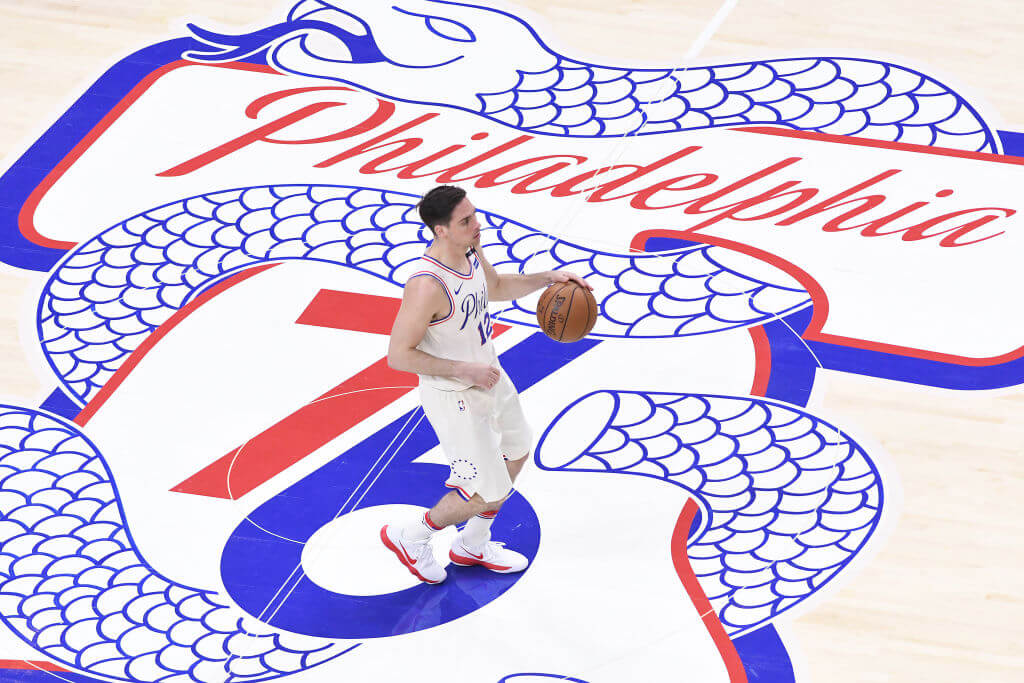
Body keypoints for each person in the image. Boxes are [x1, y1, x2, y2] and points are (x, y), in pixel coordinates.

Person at [381, 185, 592, 584]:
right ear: (440, 230)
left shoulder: (470, 249)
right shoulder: (426, 285)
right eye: (466, 221)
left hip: (488, 373)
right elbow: (399, 355)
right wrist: (464, 369)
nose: (477, 226)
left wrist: (548, 279)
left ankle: (473, 543)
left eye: (475, 215)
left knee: (517, 448)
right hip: (454, 394)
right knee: (487, 491)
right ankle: (413, 537)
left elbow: (495, 289)